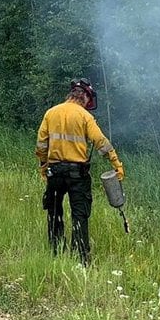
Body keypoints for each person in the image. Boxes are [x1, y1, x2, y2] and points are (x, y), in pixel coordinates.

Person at [35, 78, 124, 265]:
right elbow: (101, 142)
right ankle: (81, 260)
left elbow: (41, 145)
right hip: (77, 174)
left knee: (54, 212)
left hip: (55, 172)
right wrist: (116, 165)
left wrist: (44, 167)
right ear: (83, 96)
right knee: (80, 215)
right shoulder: (85, 116)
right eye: (87, 99)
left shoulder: (51, 113)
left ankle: (56, 253)